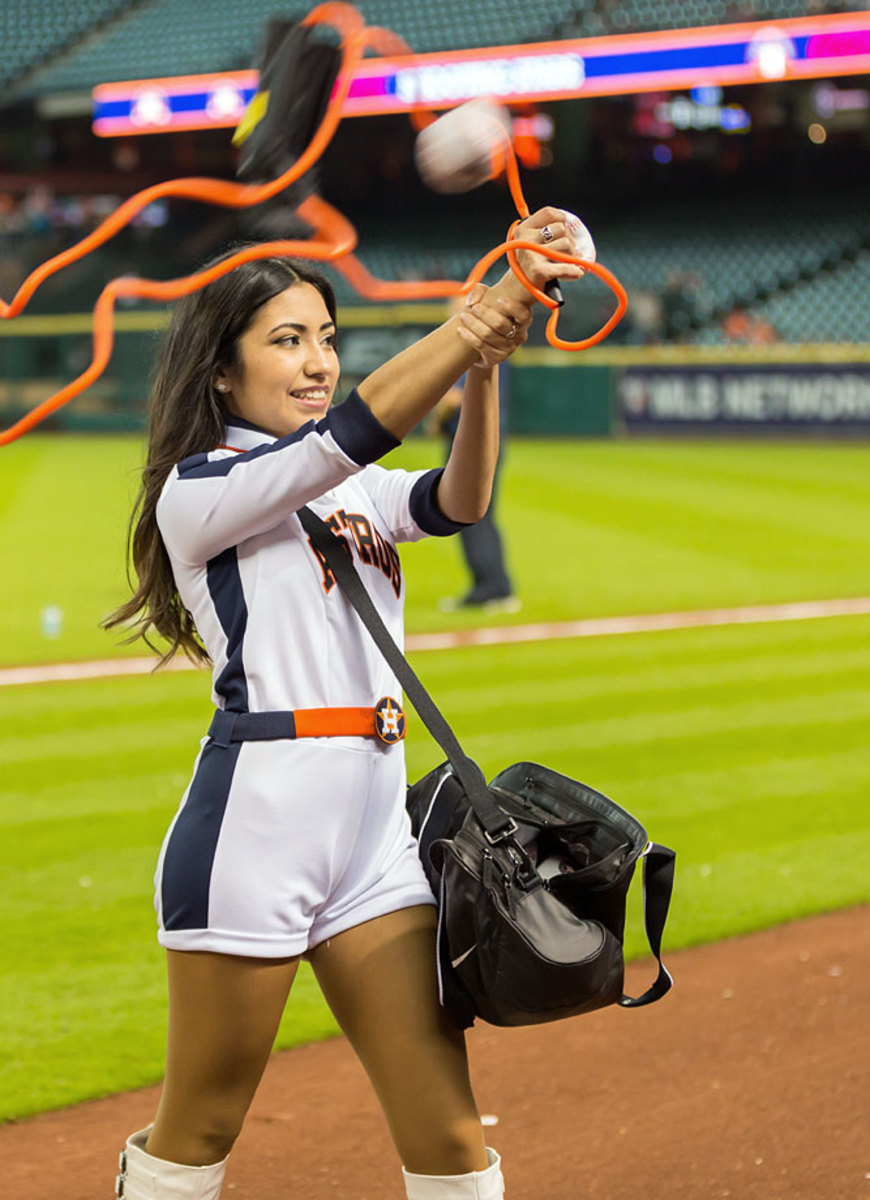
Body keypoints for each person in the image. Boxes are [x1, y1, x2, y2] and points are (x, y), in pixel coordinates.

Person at [105, 206, 582, 1200]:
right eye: (286, 341)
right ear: (222, 374)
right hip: (257, 826)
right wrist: (489, 309)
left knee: (452, 1137)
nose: (316, 361)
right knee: (198, 1126)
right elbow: (349, 437)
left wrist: (484, 365)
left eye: (325, 338)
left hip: (373, 834)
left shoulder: (347, 490)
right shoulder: (200, 491)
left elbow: (458, 502)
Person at [434, 360, 519, 612]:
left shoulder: (476, 346)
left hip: (473, 440)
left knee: (471, 516)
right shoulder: (491, 342)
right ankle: (493, 586)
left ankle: (492, 588)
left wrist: (436, 419)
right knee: (479, 516)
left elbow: (453, 399)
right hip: (484, 438)